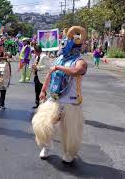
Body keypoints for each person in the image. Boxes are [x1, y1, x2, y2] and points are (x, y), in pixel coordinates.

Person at [32, 26, 88, 165]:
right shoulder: (59, 59)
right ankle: (46, 146)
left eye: (66, 44)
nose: (63, 47)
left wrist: (59, 67)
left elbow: (77, 71)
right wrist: (43, 90)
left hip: (71, 102)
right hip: (54, 98)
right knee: (41, 124)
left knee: (70, 133)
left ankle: (69, 153)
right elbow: (49, 75)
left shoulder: (80, 61)